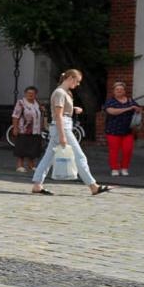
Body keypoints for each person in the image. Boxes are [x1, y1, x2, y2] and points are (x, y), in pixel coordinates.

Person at [32, 68, 110, 196]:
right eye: (77, 81)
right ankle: (93, 186)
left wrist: (73, 109)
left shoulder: (64, 92)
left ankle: (37, 185)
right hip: (62, 127)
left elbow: (61, 111)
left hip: (61, 125)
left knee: (48, 157)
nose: (78, 84)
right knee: (79, 156)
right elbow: (58, 115)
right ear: (71, 78)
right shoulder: (60, 93)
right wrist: (62, 135)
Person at [104, 80, 138, 177]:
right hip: (113, 130)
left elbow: (138, 109)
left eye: (121, 89)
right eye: (117, 89)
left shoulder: (130, 101)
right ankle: (114, 168)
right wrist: (127, 109)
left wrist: (137, 109)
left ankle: (124, 168)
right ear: (114, 91)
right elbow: (111, 111)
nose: (119, 91)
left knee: (128, 150)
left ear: (124, 91)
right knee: (114, 150)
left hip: (128, 131)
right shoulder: (110, 101)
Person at [10, 86, 44, 175]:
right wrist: (15, 127)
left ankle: (31, 165)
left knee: (33, 148)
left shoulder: (37, 103)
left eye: (32, 93)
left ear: (35, 95)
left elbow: (41, 114)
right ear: (25, 94)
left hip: (35, 130)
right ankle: (20, 165)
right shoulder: (21, 103)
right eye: (28, 93)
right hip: (23, 129)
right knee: (22, 147)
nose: (30, 95)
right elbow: (15, 116)